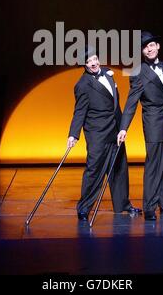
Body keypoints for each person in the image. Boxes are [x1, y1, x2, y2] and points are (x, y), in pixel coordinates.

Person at [117, 32, 163, 221]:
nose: (148, 49)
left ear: (158, 46)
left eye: (151, 45)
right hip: (153, 123)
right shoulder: (139, 72)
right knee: (154, 166)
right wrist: (124, 127)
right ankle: (149, 206)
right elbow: (132, 102)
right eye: (144, 47)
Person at [67, 47, 141, 221]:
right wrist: (73, 134)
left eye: (94, 59)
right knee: (94, 170)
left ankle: (122, 204)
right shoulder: (83, 85)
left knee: (119, 168)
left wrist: (123, 127)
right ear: (84, 65)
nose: (93, 63)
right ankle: (84, 208)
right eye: (88, 62)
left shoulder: (108, 74)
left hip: (115, 130)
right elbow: (79, 112)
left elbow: (116, 105)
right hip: (97, 134)